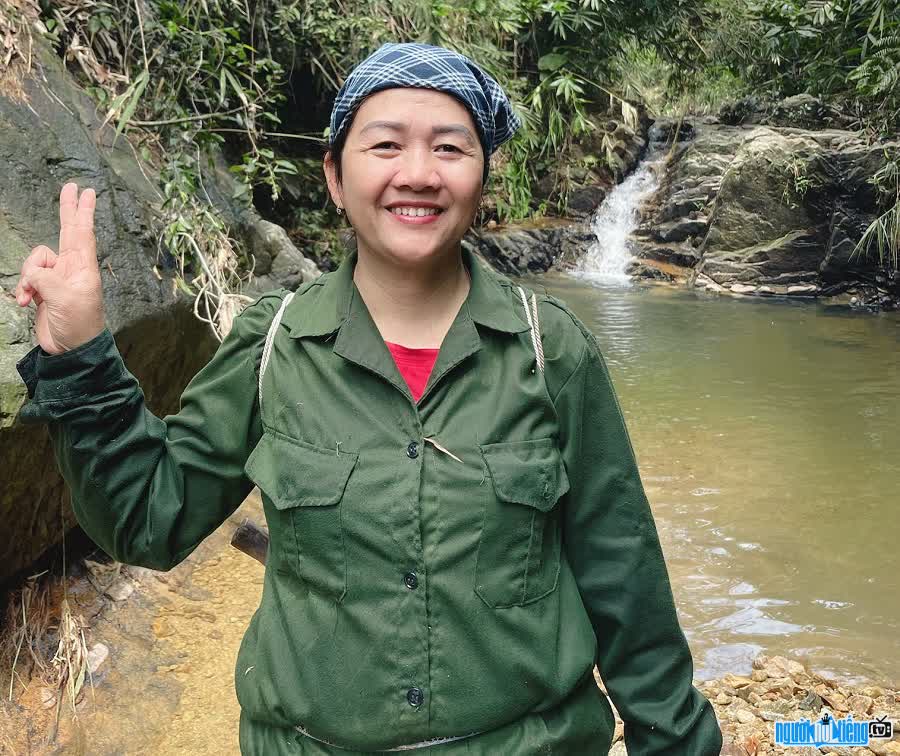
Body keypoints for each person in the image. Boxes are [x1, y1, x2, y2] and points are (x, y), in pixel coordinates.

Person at [13, 41, 723, 755]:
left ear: (482, 179)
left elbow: (623, 574)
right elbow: (148, 521)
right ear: (334, 175)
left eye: (450, 147)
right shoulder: (275, 345)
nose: (417, 174)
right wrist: (81, 357)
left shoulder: (551, 350)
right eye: (385, 145)